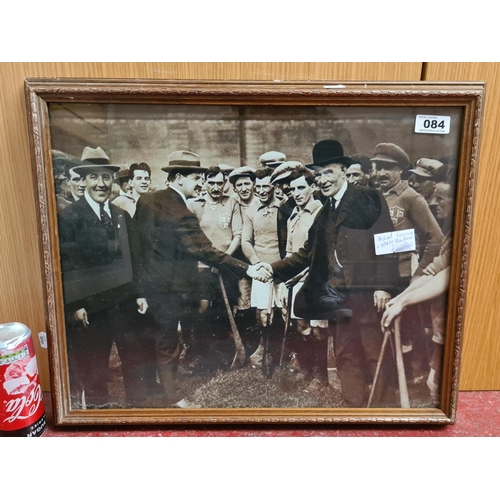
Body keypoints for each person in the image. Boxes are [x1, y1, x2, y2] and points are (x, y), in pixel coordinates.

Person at [133, 150, 270, 408]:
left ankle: (153, 387)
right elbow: (205, 250)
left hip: (148, 285)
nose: (201, 183)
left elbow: (137, 247)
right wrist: (248, 269)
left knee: (154, 339)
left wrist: (140, 288)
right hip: (170, 288)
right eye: (197, 177)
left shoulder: (147, 200)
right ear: (178, 178)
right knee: (168, 341)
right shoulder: (182, 211)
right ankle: (174, 397)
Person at [270, 139, 400, 407]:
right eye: (318, 175)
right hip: (337, 296)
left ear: (343, 170)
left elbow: (388, 242)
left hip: (367, 294)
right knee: (344, 352)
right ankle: (354, 402)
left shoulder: (367, 197)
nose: (323, 180)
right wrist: (271, 270)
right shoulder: (324, 212)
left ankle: (384, 406)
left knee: (374, 350)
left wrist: (383, 286)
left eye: (328, 172)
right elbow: (308, 252)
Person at [58, 146, 140, 408]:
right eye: (94, 177)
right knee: (94, 367)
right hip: (91, 309)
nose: (101, 184)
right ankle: (96, 414)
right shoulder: (69, 218)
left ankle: (137, 415)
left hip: (123, 304)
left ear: (112, 181)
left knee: (133, 360)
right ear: (84, 181)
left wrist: (138, 294)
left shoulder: (121, 215)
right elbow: (67, 264)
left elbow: (133, 259)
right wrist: (76, 305)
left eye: (105, 177)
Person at [371, 143, 444, 381]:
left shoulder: (411, 197)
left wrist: (420, 274)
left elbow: (436, 238)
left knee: (405, 330)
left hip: (403, 275)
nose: (380, 173)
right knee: (382, 327)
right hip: (379, 276)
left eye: (387, 168)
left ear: (401, 170)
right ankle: (390, 377)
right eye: (377, 167)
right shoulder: (374, 196)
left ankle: (412, 375)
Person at [187, 165, 243, 371]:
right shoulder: (195, 205)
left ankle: (225, 355)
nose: (216, 187)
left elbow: (237, 234)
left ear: (225, 183)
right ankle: (201, 354)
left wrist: (225, 258)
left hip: (225, 266)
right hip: (202, 266)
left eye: (220, 183)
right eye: (211, 183)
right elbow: (191, 238)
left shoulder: (232, 203)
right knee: (202, 309)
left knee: (223, 310)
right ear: (204, 182)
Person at [283, 166, 326, 392]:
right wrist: (285, 280)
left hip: (315, 278)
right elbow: (291, 252)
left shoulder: (320, 212)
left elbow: (319, 254)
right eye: (293, 189)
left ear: (312, 187)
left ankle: (321, 375)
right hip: (295, 281)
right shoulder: (294, 214)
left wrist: (300, 275)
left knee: (318, 328)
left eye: (301, 187)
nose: (297, 193)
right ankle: (307, 369)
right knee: (301, 325)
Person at [241, 167, 287, 373]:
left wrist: (282, 266)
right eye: (257, 186)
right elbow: (246, 241)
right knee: (264, 315)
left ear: (273, 187)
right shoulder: (250, 212)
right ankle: (264, 351)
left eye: (265, 186)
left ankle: (287, 353)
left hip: (282, 269)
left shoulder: (284, 208)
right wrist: (257, 263)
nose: (261, 190)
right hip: (261, 270)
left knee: (284, 312)